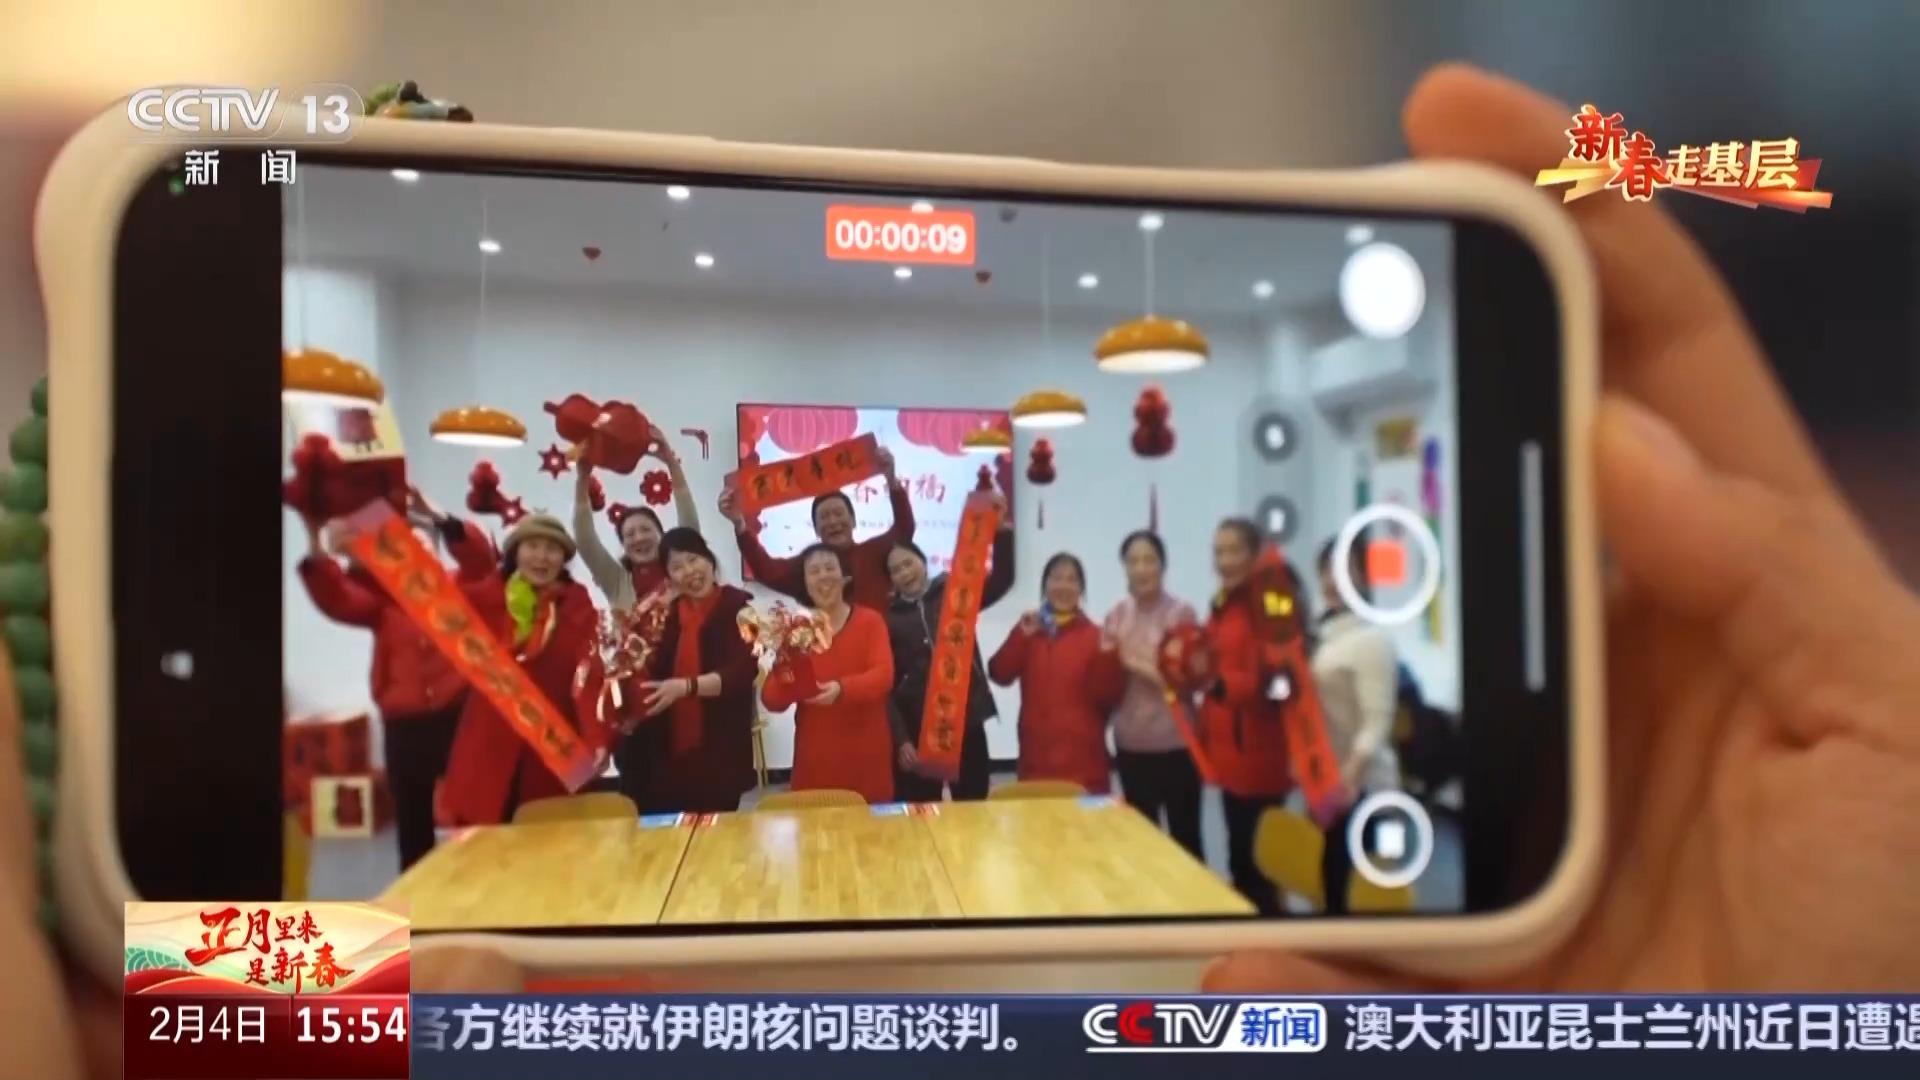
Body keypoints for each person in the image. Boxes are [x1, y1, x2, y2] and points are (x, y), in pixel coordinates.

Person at [11, 74, 1920, 1066]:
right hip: (674, 783)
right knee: (325, 982)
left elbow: (947, 674)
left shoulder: (941, 602)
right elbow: (775, 662)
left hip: (996, 785)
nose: (842, 549)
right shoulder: (714, 591)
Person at [293, 490, 492, 872]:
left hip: (459, 717)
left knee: (475, 816)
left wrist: (435, 513)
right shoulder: (380, 602)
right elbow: (334, 596)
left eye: (420, 545)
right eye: (404, 549)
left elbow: (481, 560)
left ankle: (480, 889)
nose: (413, 555)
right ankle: (420, 904)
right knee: (413, 825)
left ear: (434, 551)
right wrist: (315, 537)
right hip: (405, 725)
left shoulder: (460, 588)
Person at [435, 513, 604, 827]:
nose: (542, 557)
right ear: (515, 553)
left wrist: (596, 739)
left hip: (549, 748)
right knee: (485, 839)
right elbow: (464, 571)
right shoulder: (488, 595)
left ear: (563, 559)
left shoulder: (578, 606)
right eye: (533, 546)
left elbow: (590, 675)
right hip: (489, 740)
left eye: (552, 549)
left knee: (548, 837)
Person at [615, 528, 759, 814]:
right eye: (677, 566)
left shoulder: (743, 607)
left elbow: (744, 670)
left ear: (710, 561)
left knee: (716, 834)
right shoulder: (662, 616)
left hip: (719, 752)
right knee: (665, 833)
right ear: (669, 577)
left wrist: (686, 687)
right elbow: (641, 668)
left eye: (694, 559)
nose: (689, 571)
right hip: (665, 755)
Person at [883, 493, 1015, 802]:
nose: (904, 573)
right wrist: (901, 738)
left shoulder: (956, 591)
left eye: (908, 563)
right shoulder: (889, 619)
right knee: (924, 810)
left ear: (923, 561)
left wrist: (1002, 533)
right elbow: (888, 686)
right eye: (896, 570)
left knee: (972, 805)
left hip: (966, 717)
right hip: (920, 725)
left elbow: (1001, 580)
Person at [1199, 518, 1299, 915]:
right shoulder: (1222, 605)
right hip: (1229, 756)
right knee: (1239, 857)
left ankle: (1271, 938)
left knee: (1262, 866)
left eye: (1234, 550)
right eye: (1219, 552)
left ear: (1255, 554)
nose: (1225, 560)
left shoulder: (1273, 602)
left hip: (1262, 756)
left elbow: (1283, 680)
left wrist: (1226, 685)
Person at [761, 543, 899, 804]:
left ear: (844, 577)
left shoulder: (870, 621)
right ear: (805, 583)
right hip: (815, 760)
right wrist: (786, 678)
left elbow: (884, 676)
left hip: (866, 758)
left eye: (829, 568)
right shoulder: (796, 632)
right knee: (815, 827)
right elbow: (771, 700)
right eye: (814, 571)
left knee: (871, 827)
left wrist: (842, 689)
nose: (823, 576)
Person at [1310, 537, 1402, 915]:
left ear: (1363, 578)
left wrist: (1348, 777)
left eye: (1345, 570)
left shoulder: (1371, 640)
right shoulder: (1323, 633)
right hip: (1329, 781)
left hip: (1362, 788)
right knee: (1328, 886)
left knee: (1358, 900)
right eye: (1327, 570)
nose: (1333, 580)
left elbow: (1377, 722)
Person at [1102, 530, 1204, 859]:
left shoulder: (1182, 614)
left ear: (1163, 565)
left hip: (1177, 744)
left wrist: (1129, 661)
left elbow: (1184, 681)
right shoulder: (1117, 615)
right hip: (1131, 745)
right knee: (1142, 845)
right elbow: (1105, 679)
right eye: (1133, 561)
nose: (1141, 568)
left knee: (1185, 841)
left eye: (1149, 560)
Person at [987, 553, 1127, 795]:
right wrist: (1020, 635)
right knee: (1037, 818)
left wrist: (1109, 654)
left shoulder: (1096, 636)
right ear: (1045, 586)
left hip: (1084, 762)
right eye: (1056, 578)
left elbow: (1109, 696)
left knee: (1084, 820)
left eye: (1072, 579)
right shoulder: (1030, 632)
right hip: (1035, 760)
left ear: (1081, 589)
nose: (1063, 586)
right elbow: (999, 673)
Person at [716, 445, 913, 611]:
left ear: (853, 521)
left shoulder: (875, 553)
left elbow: (904, 529)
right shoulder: (809, 567)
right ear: (817, 530)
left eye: (838, 513)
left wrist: (891, 480)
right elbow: (767, 571)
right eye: (824, 517)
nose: (833, 521)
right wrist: (740, 524)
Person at [572, 425, 701, 613]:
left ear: (661, 535)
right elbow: (585, 540)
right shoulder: (616, 581)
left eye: (646, 529)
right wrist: (583, 478)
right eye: (630, 535)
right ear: (624, 545)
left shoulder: (684, 571)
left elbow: (688, 519)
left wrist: (671, 463)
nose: (639, 538)